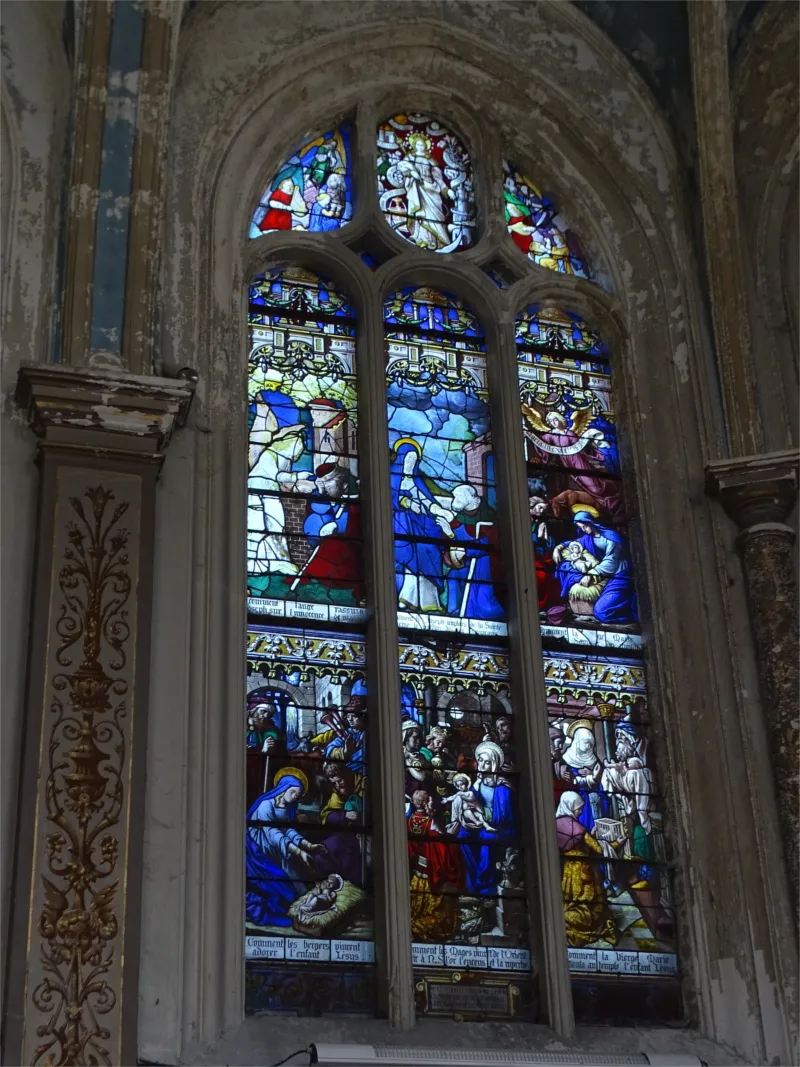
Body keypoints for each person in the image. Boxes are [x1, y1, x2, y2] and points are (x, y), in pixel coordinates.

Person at [601, 723, 671, 941]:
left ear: (630, 745)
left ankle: (658, 905)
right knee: (640, 854)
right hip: (638, 821)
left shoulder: (639, 772)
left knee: (645, 854)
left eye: (622, 743)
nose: (619, 748)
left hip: (645, 822)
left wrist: (641, 819)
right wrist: (612, 771)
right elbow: (621, 790)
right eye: (618, 742)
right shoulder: (629, 770)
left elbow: (639, 801)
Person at [245, 769, 328, 927]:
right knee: (281, 889)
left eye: (298, 794)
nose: (295, 796)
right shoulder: (265, 805)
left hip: (277, 850)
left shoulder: (287, 808)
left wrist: (308, 846)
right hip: (259, 852)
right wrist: (298, 852)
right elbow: (272, 833)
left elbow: (288, 830)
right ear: (284, 787)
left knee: (298, 888)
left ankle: (303, 913)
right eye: (294, 791)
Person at [390, 440, 447, 613]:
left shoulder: (418, 480)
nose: (411, 463)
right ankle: (407, 598)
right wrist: (406, 502)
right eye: (408, 459)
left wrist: (436, 508)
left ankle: (431, 602)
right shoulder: (391, 477)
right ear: (401, 458)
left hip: (421, 524)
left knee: (430, 551)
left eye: (414, 460)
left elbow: (426, 498)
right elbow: (388, 498)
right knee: (412, 557)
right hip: (403, 525)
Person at [555, 791, 618, 948]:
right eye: (578, 809)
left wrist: (591, 834)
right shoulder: (577, 828)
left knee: (570, 901)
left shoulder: (555, 824)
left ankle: (566, 919)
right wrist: (618, 844)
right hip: (584, 871)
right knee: (591, 905)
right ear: (570, 807)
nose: (581, 812)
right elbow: (598, 849)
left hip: (568, 871)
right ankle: (584, 925)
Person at [295, 462, 364, 604]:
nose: (325, 487)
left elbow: (352, 522)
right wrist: (320, 493)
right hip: (321, 540)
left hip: (344, 548)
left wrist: (336, 525)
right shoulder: (323, 498)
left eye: (328, 483)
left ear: (343, 484)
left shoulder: (350, 500)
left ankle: (324, 581)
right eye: (323, 484)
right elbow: (316, 511)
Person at [553, 510, 637, 625]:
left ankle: (632, 614)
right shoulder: (588, 538)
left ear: (590, 522)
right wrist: (558, 548)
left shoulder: (611, 538)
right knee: (566, 568)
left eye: (583, 526)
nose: (583, 530)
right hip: (605, 576)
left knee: (602, 612)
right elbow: (573, 543)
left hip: (620, 576)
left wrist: (591, 575)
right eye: (580, 528)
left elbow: (611, 561)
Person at [439, 483, 505, 621]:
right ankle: (454, 613)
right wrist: (448, 537)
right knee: (453, 576)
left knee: (487, 608)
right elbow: (452, 542)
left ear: (467, 499)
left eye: (457, 497)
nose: (454, 500)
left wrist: (467, 550)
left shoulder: (488, 516)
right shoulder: (460, 517)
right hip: (466, 563)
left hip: (484, 563)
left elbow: (490, 542)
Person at [458, 741, 516, 897]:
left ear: (494, 764)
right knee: (462, 835)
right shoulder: (477, 784)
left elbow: (501, 818)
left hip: (503, 829)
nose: (483, 764)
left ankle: (486, 883)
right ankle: (472, 880)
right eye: (481, 760)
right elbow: (468, 806)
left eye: (487, 762)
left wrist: (478, 808)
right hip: (482, 825)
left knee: (487, 836)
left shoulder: (503, 788)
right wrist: (467, 819)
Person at [407, 790, 463, 940]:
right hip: (431, 868)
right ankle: (419, 927)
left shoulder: (411, 819)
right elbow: (439, 847)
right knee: (438, 909)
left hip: (418, 868)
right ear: (425, 804)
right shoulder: (430, 822)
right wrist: (449, 838)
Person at [398, 133, 452, 250]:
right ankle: (421, 238)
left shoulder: (431, 160)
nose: (421, 146)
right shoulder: (410, 157)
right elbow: (402, 168)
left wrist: (445, 189)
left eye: (423, 145)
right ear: (414, 145)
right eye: (418, 144)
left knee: (436, 214)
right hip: (416, 188)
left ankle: (437, 240)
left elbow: (438, 176)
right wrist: (412, 173)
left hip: (431, 188)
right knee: (420, 212)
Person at [560, 719, 605, 830]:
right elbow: (569, 780)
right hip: (579, 803)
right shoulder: (566, 759)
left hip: (595, 802)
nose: (589, 745)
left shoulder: (594, 761)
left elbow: (603, 782)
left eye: (591, 742)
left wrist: (596, 777)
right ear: (577, 741)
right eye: (586, 742)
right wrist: (589, 778)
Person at [309, 695, 366, 774]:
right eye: (348, 716)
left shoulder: (368, 733)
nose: (350, 719)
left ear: (363, 717)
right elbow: (330, 749)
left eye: (354, 716)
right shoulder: (347, 732)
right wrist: (345, 752)